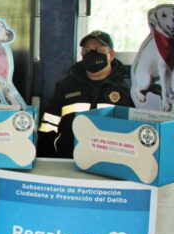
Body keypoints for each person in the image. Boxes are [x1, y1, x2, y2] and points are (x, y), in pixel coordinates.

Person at [37, 30, 133, 158]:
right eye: (87, 50)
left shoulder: (127, 87)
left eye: (99, 50)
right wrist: (46, 159)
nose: (92, 54)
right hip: (69, 160)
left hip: (112, 162)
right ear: (82, 54)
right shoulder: (66, 85)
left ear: (111, 55)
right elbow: (49, 124)